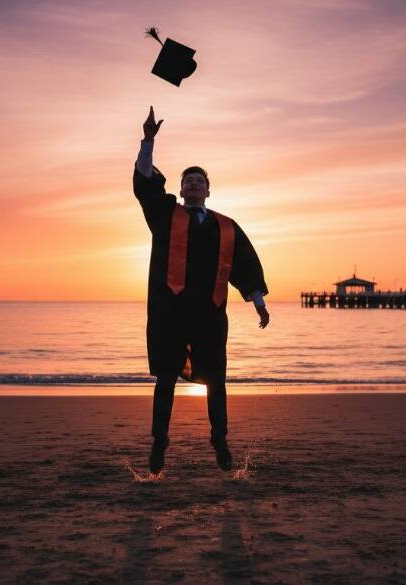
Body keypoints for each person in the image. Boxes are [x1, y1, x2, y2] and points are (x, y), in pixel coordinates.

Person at [133, 106, 270, 473]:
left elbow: (245, 264)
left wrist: (257, 301)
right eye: (188, 181)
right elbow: (145, 184)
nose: (193, 185)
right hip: (170, 313)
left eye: (199, 181)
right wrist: (148, 141)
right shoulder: (165, 215)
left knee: (216, 381)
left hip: (210, 315)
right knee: (165, 379)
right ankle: (159, 443)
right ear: (180, 189)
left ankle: (220, 441)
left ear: (208, 190)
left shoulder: (226, 226)